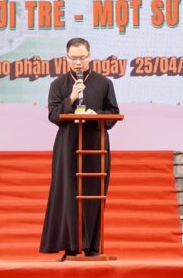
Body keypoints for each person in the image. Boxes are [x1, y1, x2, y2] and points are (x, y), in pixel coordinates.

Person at [40, 38, 119, 260]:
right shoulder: (58, 85)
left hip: (95, 144)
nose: (78, 63)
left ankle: (92, 247)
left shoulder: (104, 83)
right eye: (73, 58)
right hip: (68, 146)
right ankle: (71, 247)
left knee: (94, 193)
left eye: (82, 58)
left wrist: (97, 115)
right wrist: (72, 98)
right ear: (66, 58)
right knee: (68, 195)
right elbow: (53, 115)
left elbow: (113, 114)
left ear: (89, 56)